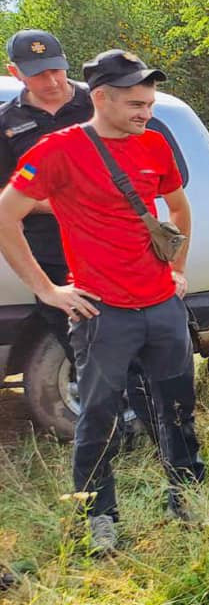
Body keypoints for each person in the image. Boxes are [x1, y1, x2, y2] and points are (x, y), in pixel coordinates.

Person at [0, 50, 203, 555]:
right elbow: (6, 217)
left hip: (162, 307)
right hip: (101, 311)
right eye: (136, 103)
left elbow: (178, 207)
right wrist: (49, 291)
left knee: (176, 407)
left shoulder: (154, 144)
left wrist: (177, 270)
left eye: (150, 102)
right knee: (98, 415)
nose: (146, 112)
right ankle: (99, 515)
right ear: (103, 98)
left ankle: (186, 492)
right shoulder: (56, 151)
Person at [0, 29, 155, 440]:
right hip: (51, 255)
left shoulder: (101, 100)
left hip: (112, 248)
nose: (50, 82)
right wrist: (61, 202)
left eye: (56, 70)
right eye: (37, 74)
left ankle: (155, 429)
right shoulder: (7, 125)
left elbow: (147, 161)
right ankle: (113, 434)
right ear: (14, 72)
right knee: (82, 348)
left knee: (135, 341)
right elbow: (5, 198)